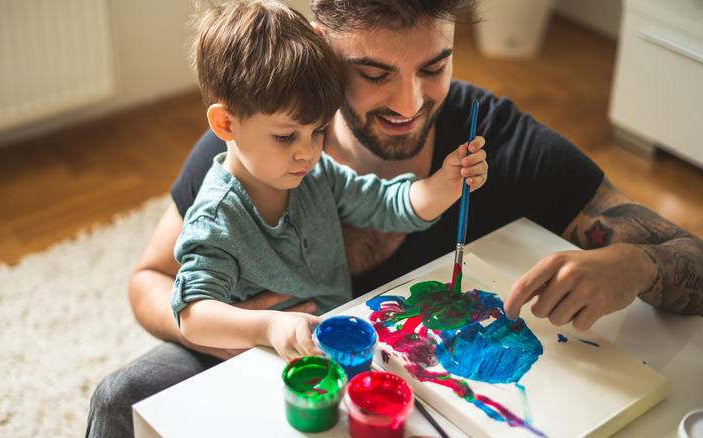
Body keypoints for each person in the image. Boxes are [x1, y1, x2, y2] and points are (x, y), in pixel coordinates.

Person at [86, 1, 703, 436]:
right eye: (375, 73)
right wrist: (252, 333)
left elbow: (690, 258)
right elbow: (150, 284)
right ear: (323, 51)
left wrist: (637, 262)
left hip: (425, 396)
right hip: (268, 351)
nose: (410, 104)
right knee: (123, 396)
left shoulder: (497, 142)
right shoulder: (256, 148)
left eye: (433, 67)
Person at [170, 0, 486, 362]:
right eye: (286, 137)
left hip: (334, 349)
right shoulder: (216, 217)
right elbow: (192, 315)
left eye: (318, 131)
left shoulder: (318, 174)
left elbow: (387, 205)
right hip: (259, 360)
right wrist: (267, 327)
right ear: (226, 124)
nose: (307, 153)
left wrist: (445, 185)